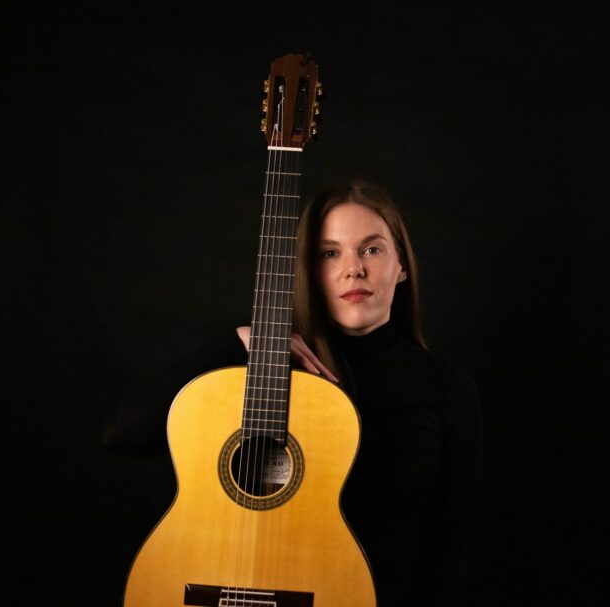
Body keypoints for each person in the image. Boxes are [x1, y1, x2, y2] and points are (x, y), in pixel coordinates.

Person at [102, 177, 485, 606]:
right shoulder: (255, 375)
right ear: (308, 271)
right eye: (329, 253)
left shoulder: (446, 388)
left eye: (372, 250)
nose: (353, 268)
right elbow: (121, 435)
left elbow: (452, 547)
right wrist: (238, 343)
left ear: (402, 266)